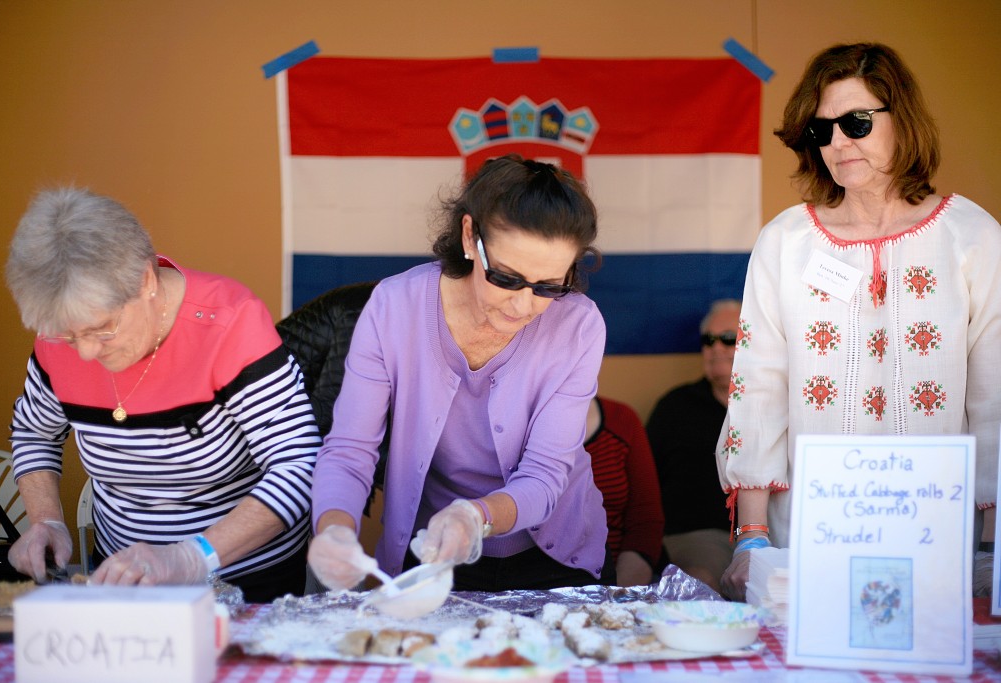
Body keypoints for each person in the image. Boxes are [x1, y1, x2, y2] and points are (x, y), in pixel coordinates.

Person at [715, 43, 1001, 600]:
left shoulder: (972, 237)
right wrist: (751, 540)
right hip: (806, 544)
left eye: (857, 122)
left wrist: (990, 549)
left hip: (942, 542)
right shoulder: (785, 242)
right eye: (823, 131)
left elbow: (996, 400)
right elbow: (758, 390)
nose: (839, 142)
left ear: (904, 121)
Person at [307, 154, 613, 592]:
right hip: (434, 554)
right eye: (506, 278)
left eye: (549, 286)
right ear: (470, 237)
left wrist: (477, 516)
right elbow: (351, 450)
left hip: (555, 554)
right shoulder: (393, 308)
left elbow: (545, 476)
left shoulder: (579, 325)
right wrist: (335, 529)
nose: (524, 306)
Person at [5, 188, 321, 602]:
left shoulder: (230, 325)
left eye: (103, 328)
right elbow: (35, 433)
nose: (85, 352)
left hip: (246, 580)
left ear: (146, 281)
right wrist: (48, 521)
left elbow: (299, 464)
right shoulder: (61, 335)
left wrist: (191, 557)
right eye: (68, 336)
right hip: (122, 578)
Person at [645, 299, 741, 592]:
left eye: (728, 338)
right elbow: (642, 486)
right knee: (702, 582)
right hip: (695, 534)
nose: (716, 348)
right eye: (708, 340)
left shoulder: (778, 406)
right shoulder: (675, 406)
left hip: (766, 532)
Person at [584, 395, 664, 587]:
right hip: (537, 581)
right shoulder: (514, 424)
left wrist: (615, 596)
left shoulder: (621, 418)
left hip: (620, 577)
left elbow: (645, 519)